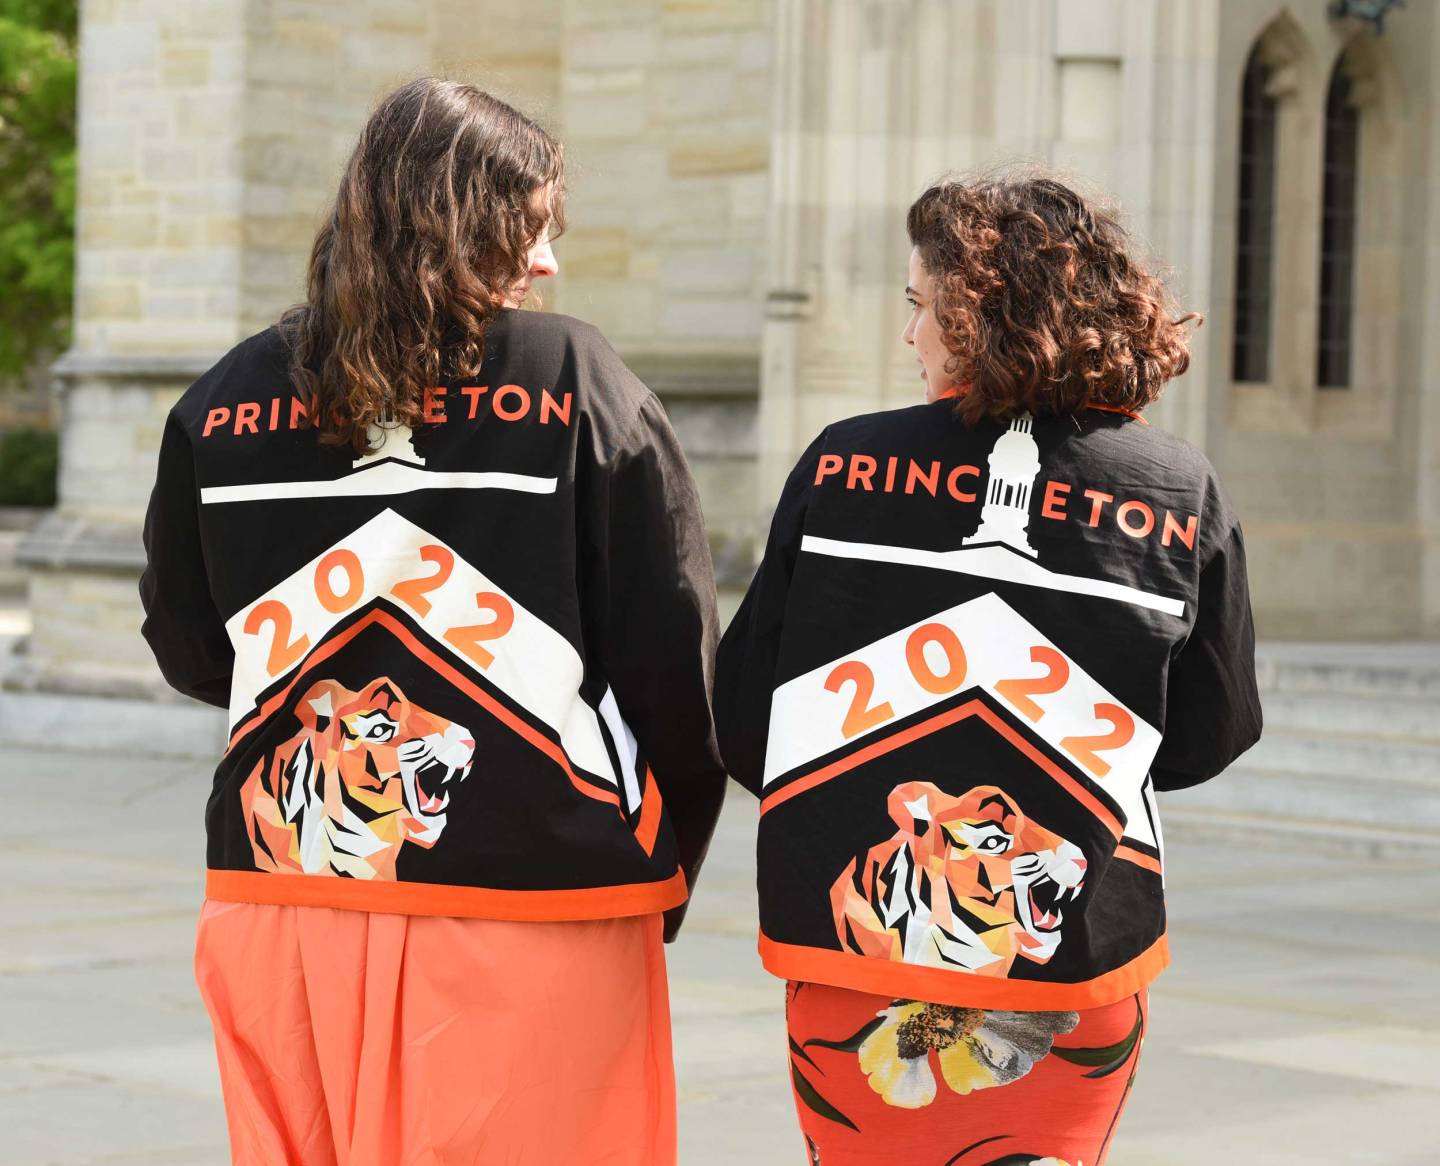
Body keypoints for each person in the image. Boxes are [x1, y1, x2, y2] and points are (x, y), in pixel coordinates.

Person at [139, 78, 727, 1166]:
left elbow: (189, 642)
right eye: (534, 227)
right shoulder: (576, 378)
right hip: (538, 889)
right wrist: (664, 857)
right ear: (465, 219)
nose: (547, 261)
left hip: (282, 902)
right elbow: (675, 658)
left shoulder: (221, 397)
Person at [715, 173, 1262, 1165]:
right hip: (1075, 954)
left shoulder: (841, 464)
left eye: (922, 308)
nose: (911, 336)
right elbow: (1207, 735)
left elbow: (745, 717)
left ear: (974, 318)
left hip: (862, 973)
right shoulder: (1176, 488)